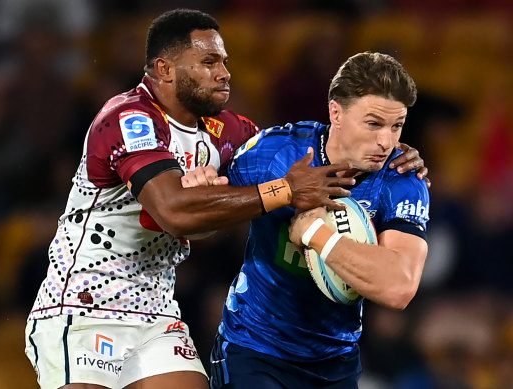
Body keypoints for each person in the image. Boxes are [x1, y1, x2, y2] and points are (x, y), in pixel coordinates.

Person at [24, 8, 428, 389]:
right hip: (84, 304)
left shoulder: (233, 133)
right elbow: (174, 212)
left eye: (224, 62)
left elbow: (272, 162)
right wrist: (285, 191)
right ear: (164, 69)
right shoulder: (129, 119)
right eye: (209, 63)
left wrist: (391, 146)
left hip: (157, 309)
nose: (224, 74)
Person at [208, 51, 430, 389]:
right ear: (336, 113)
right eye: (373, 123)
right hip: (254, 349)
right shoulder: (275, 153)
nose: (386, 141)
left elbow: (399, 287)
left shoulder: (403, 180)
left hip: (335, 361)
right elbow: (201, 220)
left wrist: (313, 231)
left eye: (396, 126)